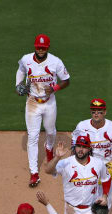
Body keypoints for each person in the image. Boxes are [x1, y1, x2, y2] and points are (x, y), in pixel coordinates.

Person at [15, 34, 70, 188]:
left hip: (49, 102)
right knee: (33, 136)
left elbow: (66, 80)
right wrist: (18, 84)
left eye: (43, 47)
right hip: (32, 103)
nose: (40, 49)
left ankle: (49, 150)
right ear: (35, 46)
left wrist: (54, 88)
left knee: (51, 132)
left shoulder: (55, 62)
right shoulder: (26, 59)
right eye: (38, 47)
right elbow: (20, 69)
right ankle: (34, 173)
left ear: (48, 47)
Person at [73, 98, 112, 214]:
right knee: (84, 201)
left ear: (105, 112)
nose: (96, 114)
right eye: (93, 111)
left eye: (99, 111)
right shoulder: (82, 126)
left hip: (106, 167)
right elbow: (74, 144)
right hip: (87, 167)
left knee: (104, 204)